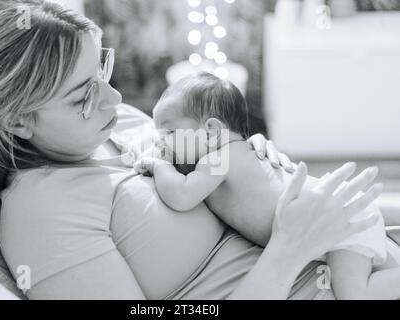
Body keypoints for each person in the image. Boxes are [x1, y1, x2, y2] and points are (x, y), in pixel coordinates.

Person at [0, 0, 384, 299]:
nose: (115, 100)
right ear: (16, 120)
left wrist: (246, 157)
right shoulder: (44, 217)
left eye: (103, 67)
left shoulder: (119, 129)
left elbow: (221, 175)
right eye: (82, 95)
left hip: (351, 255)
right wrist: (289, 249)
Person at [134, 72, 400, 299]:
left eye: (168, 133)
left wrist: (159, 166)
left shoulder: (219, 159)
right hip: (333, 213)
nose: (160, 143)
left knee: (355, 294)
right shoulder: (233, 155)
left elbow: (181, 196)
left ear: (212, 131)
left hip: (338, 219)